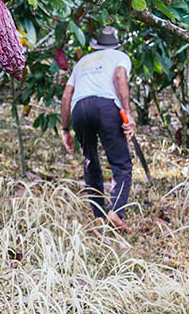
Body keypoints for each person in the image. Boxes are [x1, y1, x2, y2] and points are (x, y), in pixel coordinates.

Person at [60, 26, 136, 233]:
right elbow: (120, 76)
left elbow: (67, 96)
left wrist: (65, 129)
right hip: (105, 107)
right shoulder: (119, 56)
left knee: (90, 160)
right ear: (115, 44)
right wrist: (127, 112)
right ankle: (115, 212)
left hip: (79, 108)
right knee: (121, 164)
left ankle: (98, 216)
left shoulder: (82, 63)